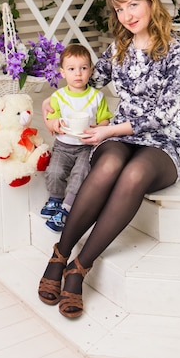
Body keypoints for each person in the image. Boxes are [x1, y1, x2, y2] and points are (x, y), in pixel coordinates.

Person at [38, 0, 180, 319]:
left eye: (133, 4)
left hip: (163, 142)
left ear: (151, 1)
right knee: (107, 165)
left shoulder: (176, 52)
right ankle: (60, 254)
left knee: (134, 175)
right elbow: (83, 79)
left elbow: (165, 113)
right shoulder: (118, 48)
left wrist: (110, 130)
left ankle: (79, 267)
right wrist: (54, 102)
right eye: (119, 9)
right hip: (120, 136)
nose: (127, 15)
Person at [40, 44, 113, 233]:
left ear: (90, 70)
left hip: (85, 147)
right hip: (63, 145)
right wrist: (54, 123)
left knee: (80, 173)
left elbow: (105, 118)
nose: (78, 74)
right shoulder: (58, 96)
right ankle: (55, 200)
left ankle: (67, 209)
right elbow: (51, 117)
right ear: (63, 73)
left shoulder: (97, 97)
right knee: (54, 171)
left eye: (83, 68)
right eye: (72, 69)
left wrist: (101, 127)